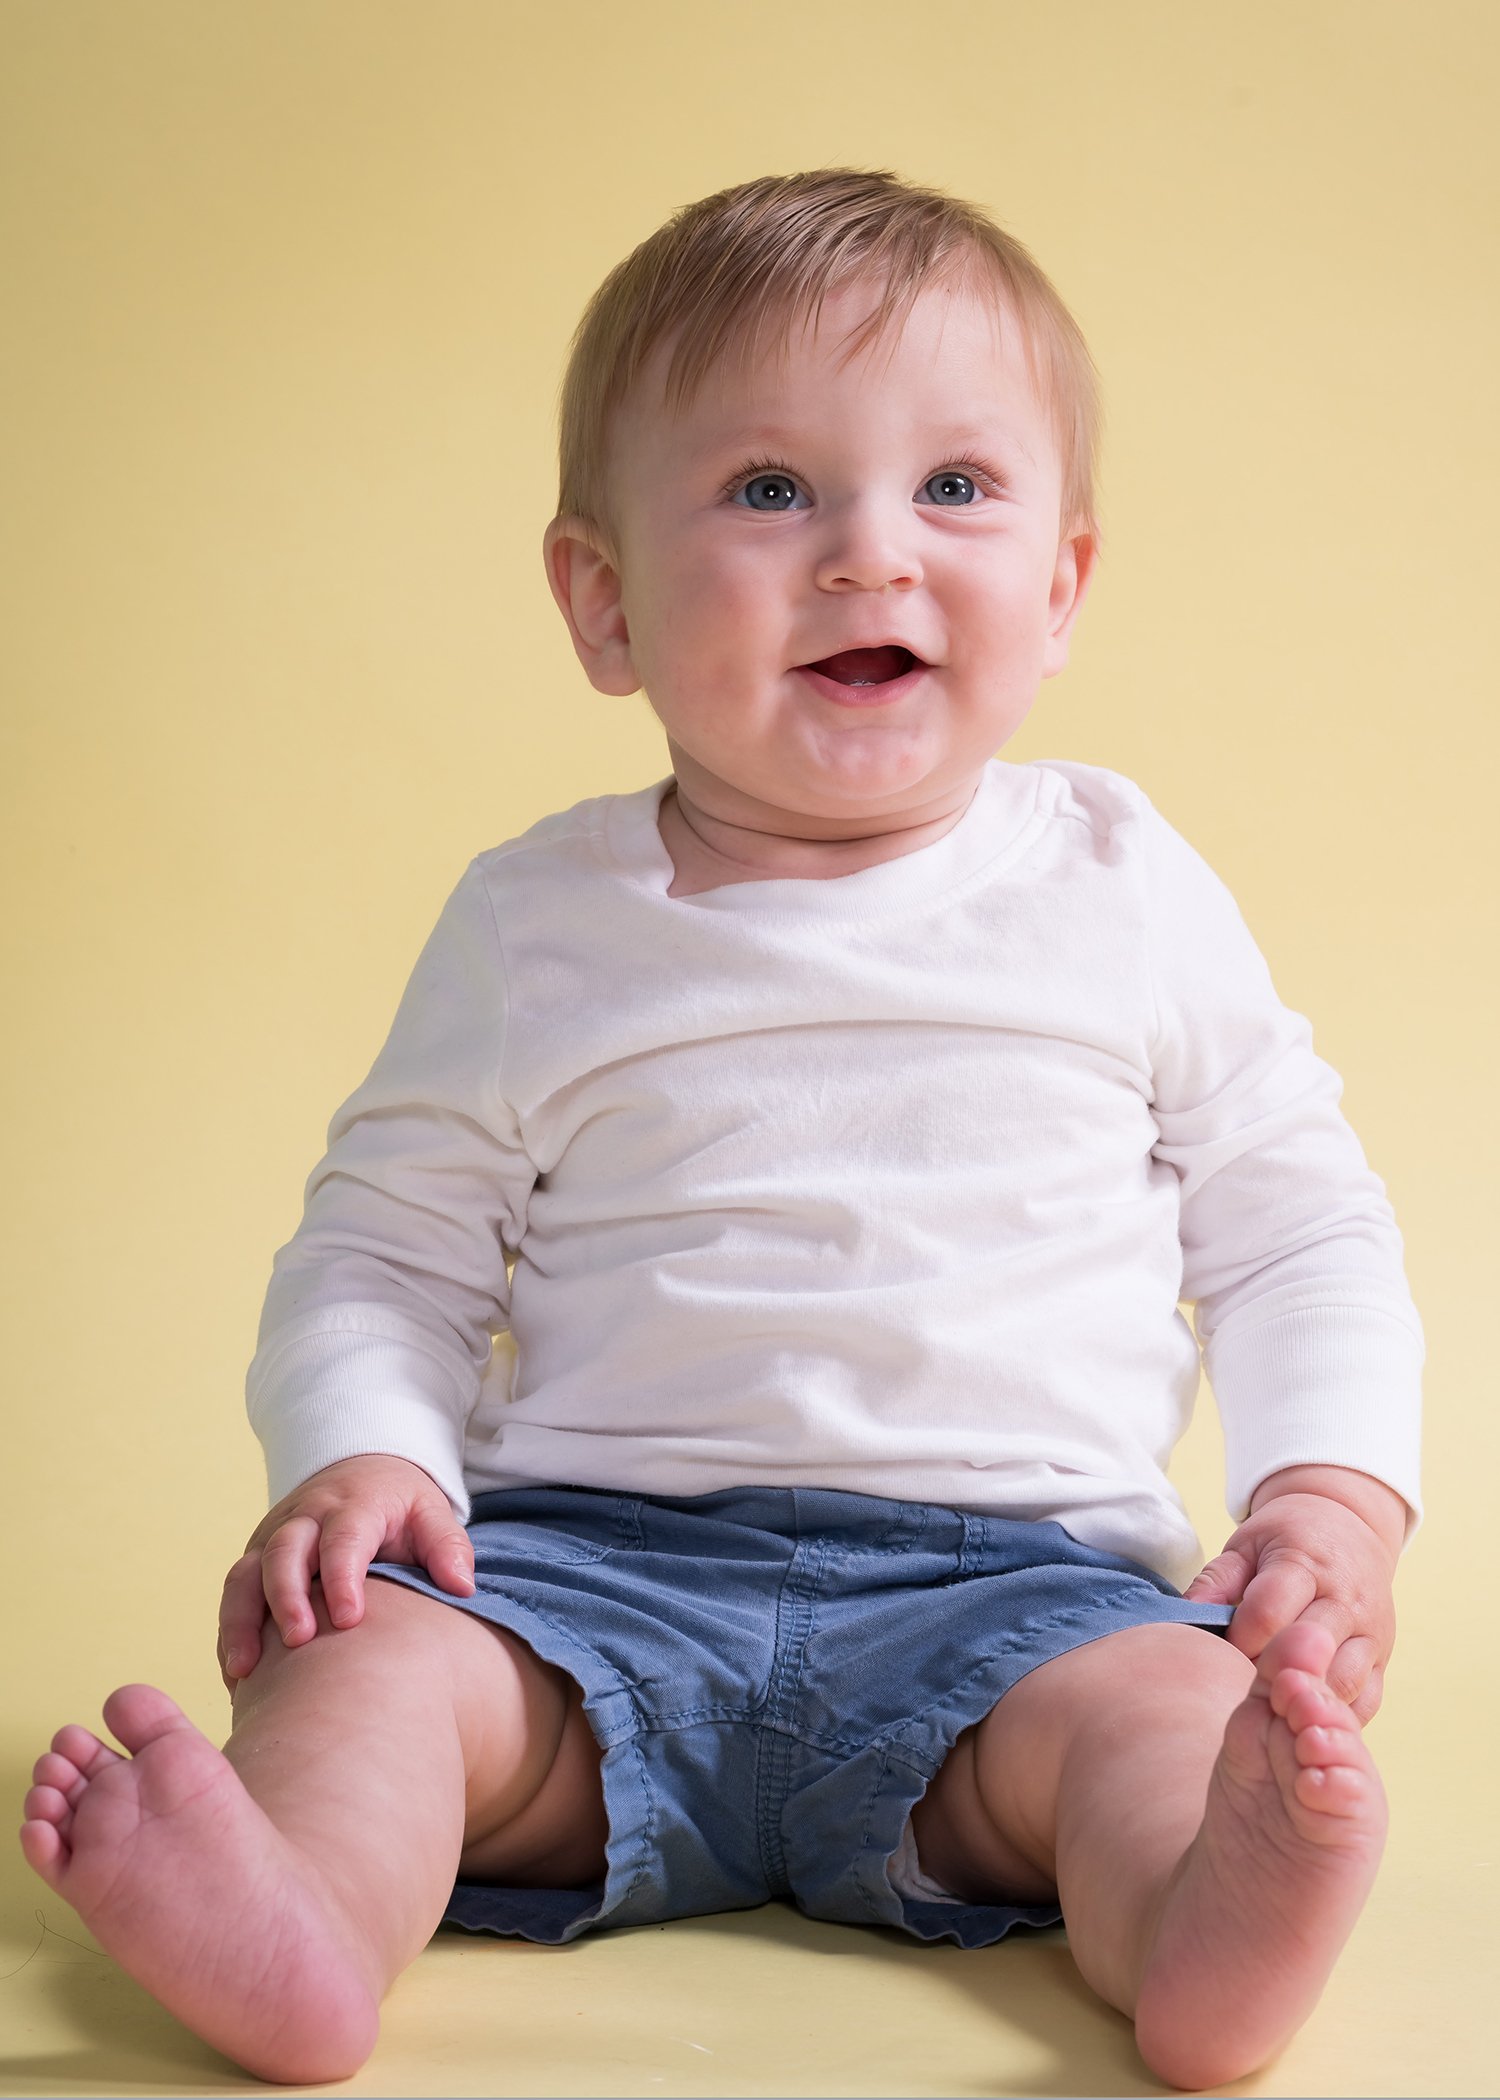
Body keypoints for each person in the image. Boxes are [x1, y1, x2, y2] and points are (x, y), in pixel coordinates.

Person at [20, 167, 1423, 2090]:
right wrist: (357, 1455)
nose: (869, 556)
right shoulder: (540, 922)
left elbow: (1295, 1225)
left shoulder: (1120, 882)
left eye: (956, 488)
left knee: (1165, 1717)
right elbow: (385, 1244)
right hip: (584, 1584)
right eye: (773, 492)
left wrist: (1330, 1493)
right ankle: (304, 1917)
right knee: (378, 1676)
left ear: (1065, 583)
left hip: (1021, 1596)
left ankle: (1211, 1910)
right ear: (603, 601)